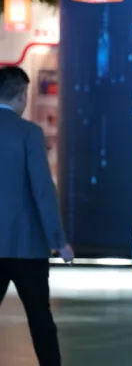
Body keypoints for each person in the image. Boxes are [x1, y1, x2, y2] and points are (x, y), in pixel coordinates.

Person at [0, 66, 74, 366]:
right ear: (21, 95)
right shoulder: (30, 133)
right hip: (28, 247)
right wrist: (59, 240)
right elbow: (42, 190)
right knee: (40, 319)